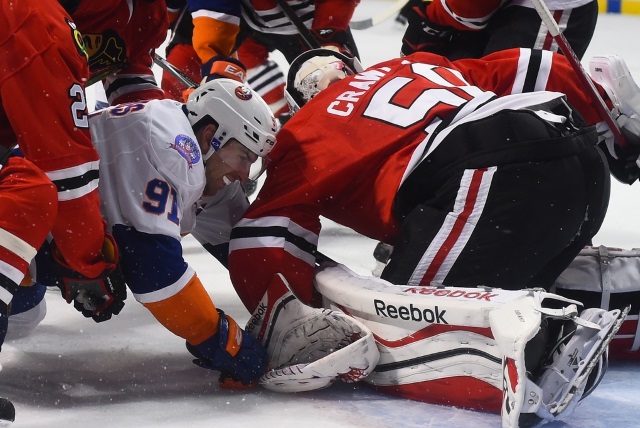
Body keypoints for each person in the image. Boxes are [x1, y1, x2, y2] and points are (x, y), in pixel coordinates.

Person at [226, 47, 640, 424]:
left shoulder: (301, 132)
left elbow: (263, 237)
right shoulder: (416, 64)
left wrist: (284, 317)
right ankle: (628, 297)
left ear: (300, 104)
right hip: (575, 154)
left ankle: (545, 347)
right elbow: (533, 66)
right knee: (512, 271)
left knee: (408, 319)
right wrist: (613, 123)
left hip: (495, 174)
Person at [16, 78, 277, 388]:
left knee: (28, 310)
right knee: (15, 295)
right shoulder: (176, 150)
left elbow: (238, 249)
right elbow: (154, 270)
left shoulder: (184, 138)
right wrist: (221, 340)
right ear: (211, 136)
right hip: (14, 225)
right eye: (244, 157)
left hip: (29, 229)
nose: (244, 175)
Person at [162, 0, 360, 120]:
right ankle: (190, 150)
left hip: (308, 21)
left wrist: (330, 32)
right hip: (240, 18)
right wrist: (214, 55)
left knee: (336, 88)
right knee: (185, 66)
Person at [400, 0, 599, 61]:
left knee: (512, 109)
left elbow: (471, 9)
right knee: (458, 86)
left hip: (545, 9)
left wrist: (435, 15)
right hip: (498, 7)